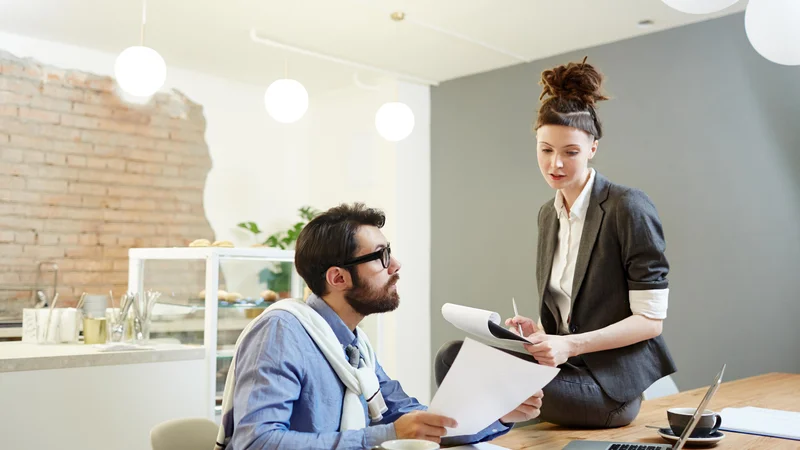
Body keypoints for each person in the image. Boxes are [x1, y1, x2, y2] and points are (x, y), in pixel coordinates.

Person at [435, 58, 677, 429]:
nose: (556, 164)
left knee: (474, 380)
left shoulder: (627, 206)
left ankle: (479, 432)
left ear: (593, 148)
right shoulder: (548, 215)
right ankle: (478, 434)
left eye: (570, 152)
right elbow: (571, 318)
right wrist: (542, 336)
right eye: (546, 149)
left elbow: (650, 322)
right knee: (453, 356)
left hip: (608, 391)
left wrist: (570, 346)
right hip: (565, 371)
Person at [216, 203, 544, 449]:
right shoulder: (280, 333)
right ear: (338, 277)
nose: (396, 265)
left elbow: (417, 422)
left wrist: (498, 413)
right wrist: (388, 435)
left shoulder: (355, 350)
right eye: (381, 256)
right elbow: (256, 442)